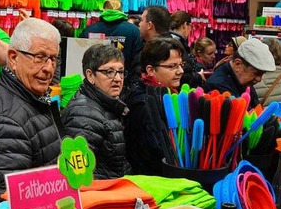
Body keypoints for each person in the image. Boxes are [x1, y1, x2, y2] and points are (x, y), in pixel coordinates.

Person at [0, 18, 63, 206]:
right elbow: (3, 206)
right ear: (13, 58)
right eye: (39, 57)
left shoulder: (33, 97)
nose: (48, 68)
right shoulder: (5, 122)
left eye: (53, 59)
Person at [62, 44, 130, 179]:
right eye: (109, 72)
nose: (117, 78)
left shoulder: (107, 103)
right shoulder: (84, 116)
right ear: (90, 75)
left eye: (120, 72)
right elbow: (77, 176)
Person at [124, 37, 184, 175]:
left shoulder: (168, 94)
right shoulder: (143, 104)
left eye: (181, 65)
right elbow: (155, 153)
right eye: (172, 66)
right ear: (151, 70)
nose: (180, 71)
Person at [80, 0, 142, 75]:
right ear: (121, 9)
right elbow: (137, 61)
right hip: (123, 80)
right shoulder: (133, 30)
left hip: (96, 80)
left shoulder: (89, 30)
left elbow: (82, 58)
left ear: (104, 9)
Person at [207, 38, 276, 109]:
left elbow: (256, 109)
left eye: (262, 74)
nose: (259, 79)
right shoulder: (218, 85)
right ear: (237, 64)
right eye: (255, 73)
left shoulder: (242, 82)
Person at [168, 11, 203, 88]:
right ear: (184, 25)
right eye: (190, 26)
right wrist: (198, 76)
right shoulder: (177, 44)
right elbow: (184, 72)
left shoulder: (170, 40)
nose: (191, 29)